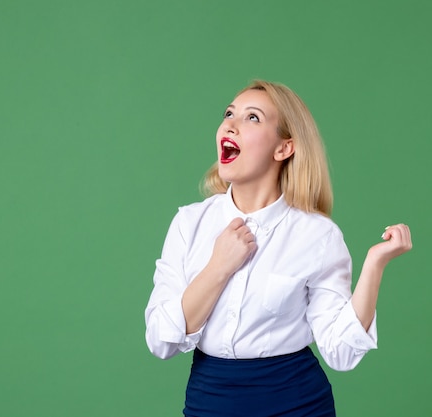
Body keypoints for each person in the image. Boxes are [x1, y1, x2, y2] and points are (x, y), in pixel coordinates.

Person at [144, 80, 412, 416]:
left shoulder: (318, 235)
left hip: (296, 403)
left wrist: (374, 265)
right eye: (229, 114)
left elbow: (341, 353)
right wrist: (219, 267)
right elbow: (161, 340)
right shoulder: (189, 224)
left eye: (252, 117)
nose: (230, 124)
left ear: (284, 148)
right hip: (209, 401)